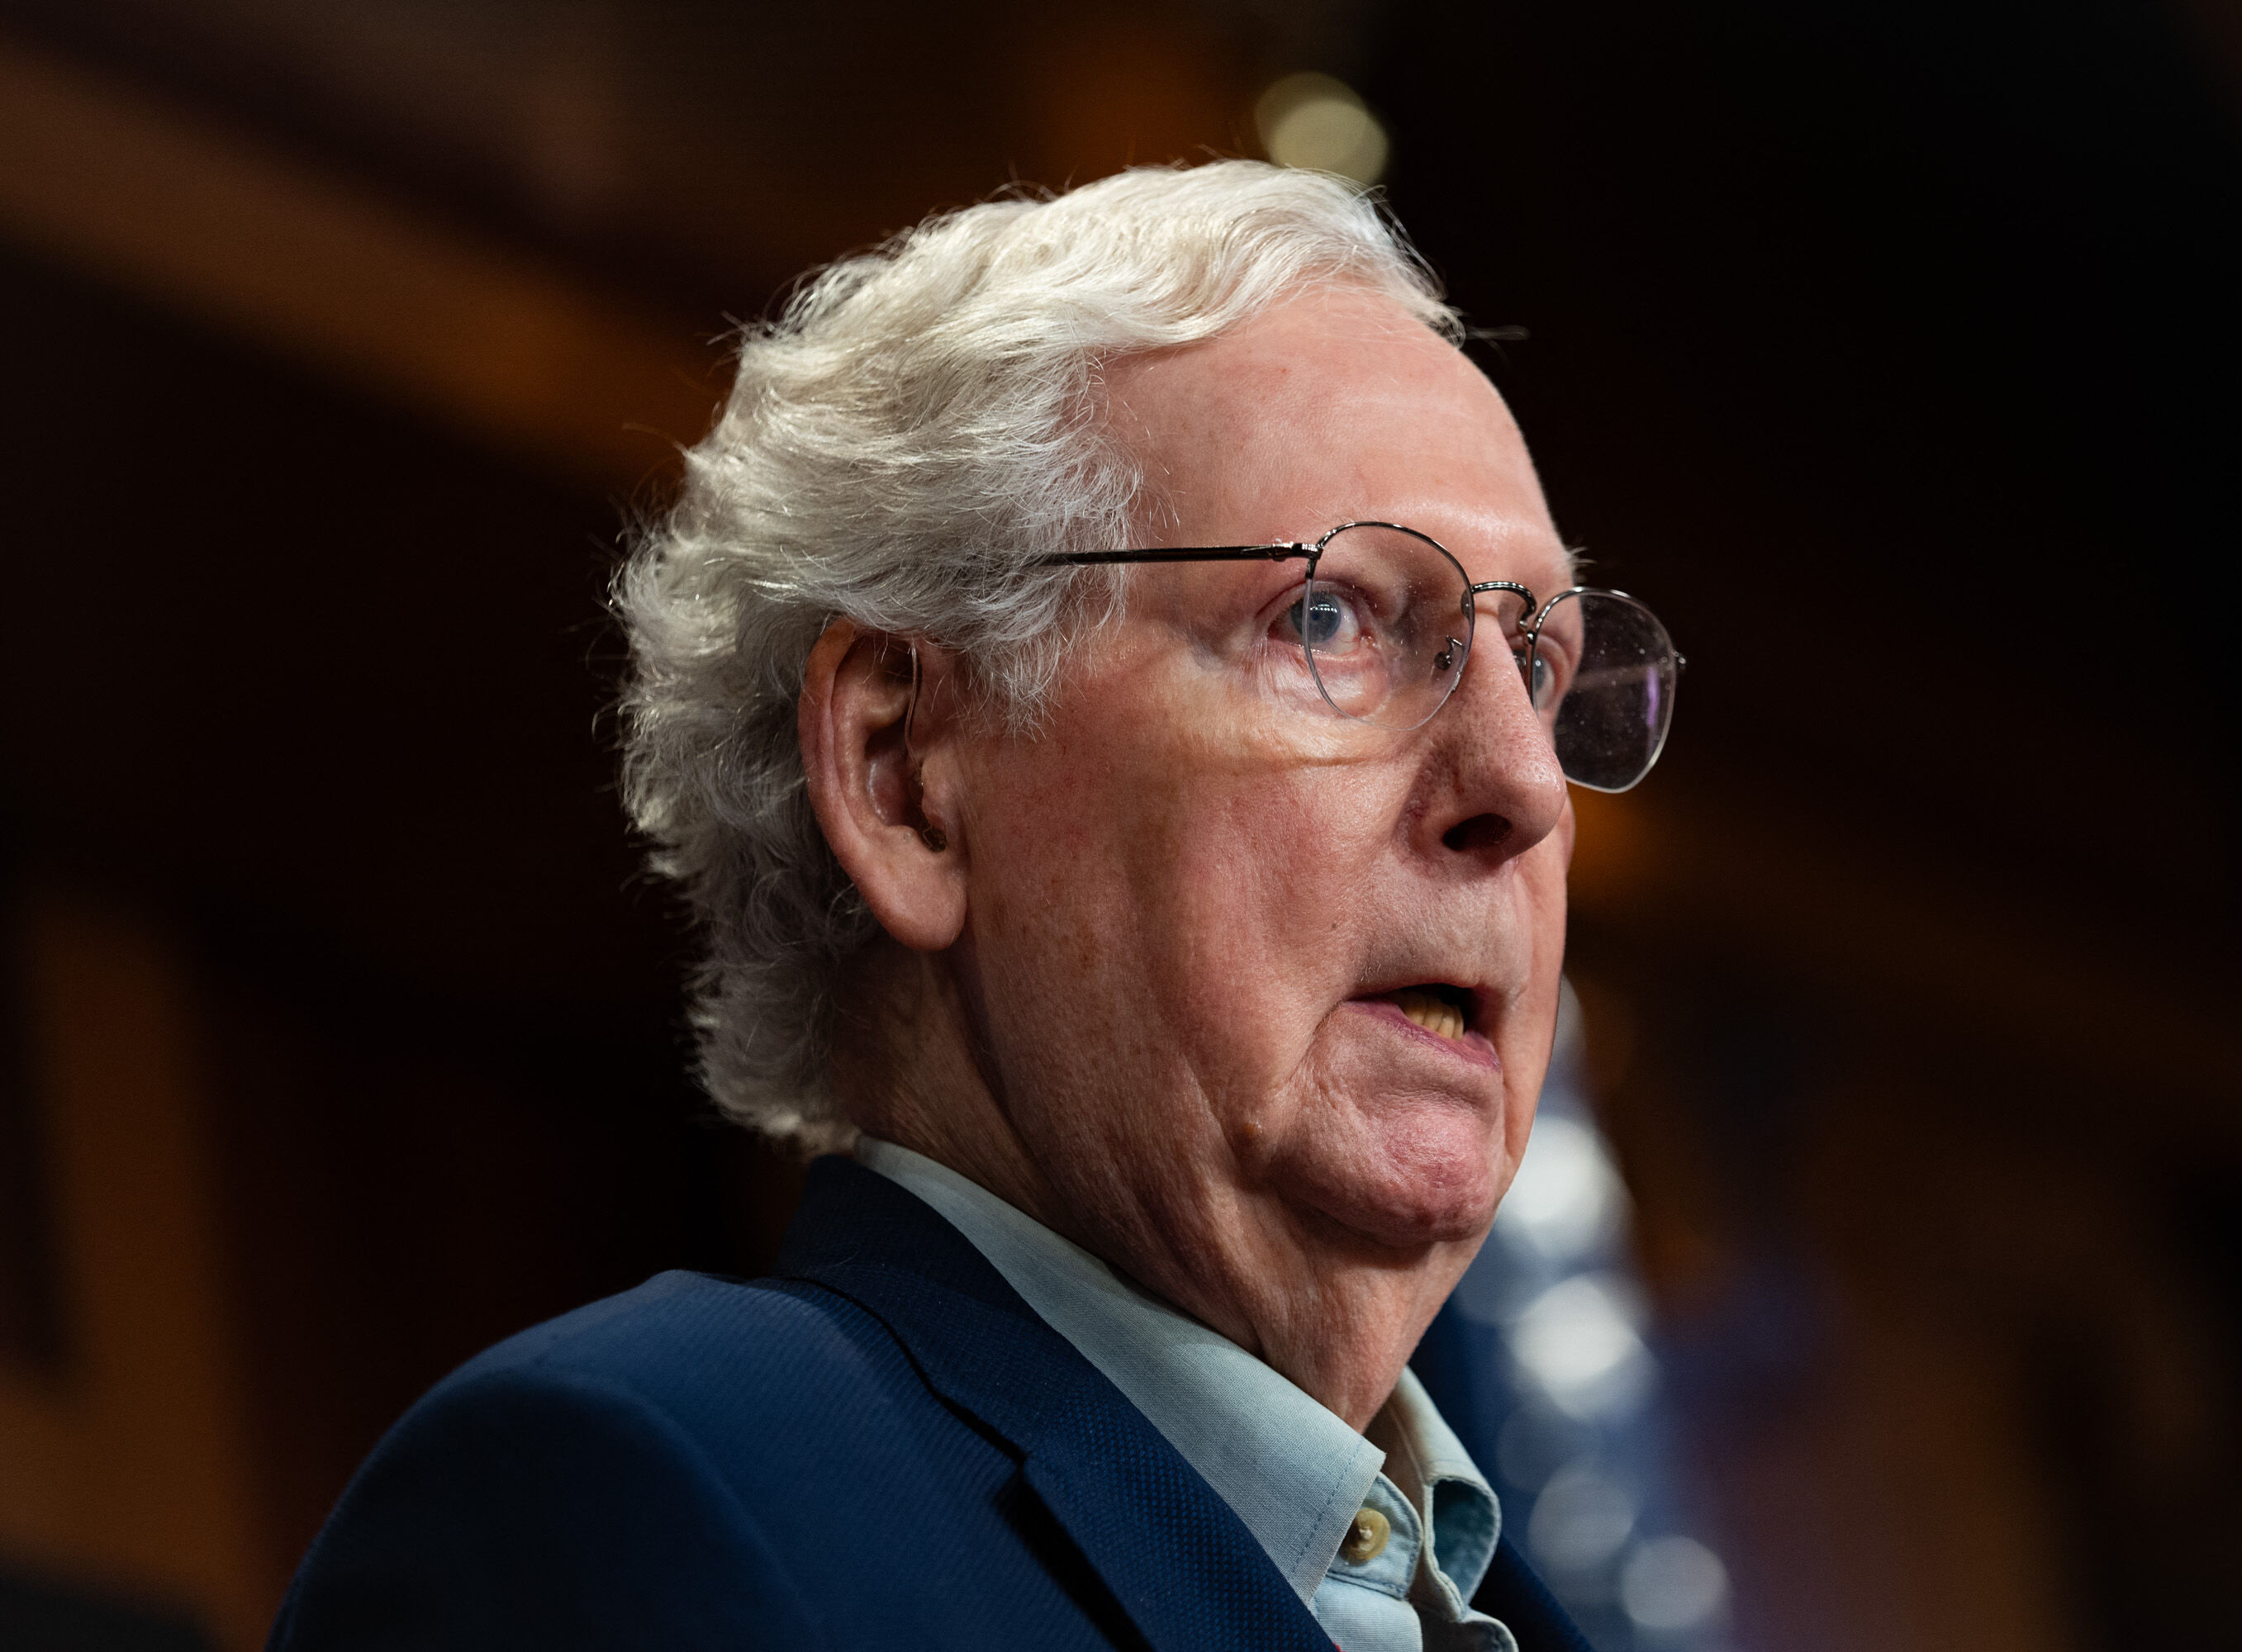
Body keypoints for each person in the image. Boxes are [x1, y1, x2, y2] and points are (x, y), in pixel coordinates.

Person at [268, 161, 1679, 1651]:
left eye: (1539, 664)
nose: (1523, 786)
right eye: (1328, 618)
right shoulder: (627, 1506)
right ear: (905, 775)